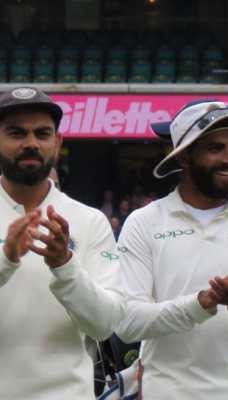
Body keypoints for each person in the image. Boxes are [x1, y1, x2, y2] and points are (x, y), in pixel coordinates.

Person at [116, 100, 228, 399]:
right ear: (185, 157)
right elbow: (127, 323)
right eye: (215, 149)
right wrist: (200, 304)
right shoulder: (144, 223)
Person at [0, 86, 124, 398]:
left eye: (42, 134)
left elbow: (104, 325)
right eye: (16, 133)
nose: (31, 143)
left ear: (57, 144)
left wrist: (65, 267)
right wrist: (6, 261)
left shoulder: (90, 221)